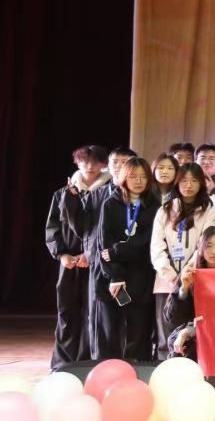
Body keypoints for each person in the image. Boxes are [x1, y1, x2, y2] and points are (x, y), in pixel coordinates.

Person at [92, 157, 160, 360]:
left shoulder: (154, 206)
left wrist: (118, 250)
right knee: (109, 332)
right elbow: (103, 244)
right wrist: (115, 275)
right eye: (133, 176)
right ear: (123, 177)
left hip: (141, 275)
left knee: (138, 332)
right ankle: (107, 370)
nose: (138, 181)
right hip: (112, 277)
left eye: (143, 177)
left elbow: (147, 242)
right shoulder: (110, 203)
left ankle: (138, 370)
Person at [46, 144, 108, 370]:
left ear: (103, 165)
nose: (89, 166)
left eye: (95, 161)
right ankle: (62, 365)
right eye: (85, 161)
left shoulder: (110, 193)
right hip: (70, 262)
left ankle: (86, 365)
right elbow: (52, 228)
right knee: (67, 312)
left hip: (97, 263)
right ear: (77, 163)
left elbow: (109, 229)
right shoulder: (63, 193)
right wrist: (62, 254)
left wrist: (91, 254)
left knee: (93, 315)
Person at [150, 163, 215, 359]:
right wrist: (171, 275)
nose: (188, 185)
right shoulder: (164, 211)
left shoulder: (209, 211)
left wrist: (186, 274)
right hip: (166, 281)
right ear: (177, 183)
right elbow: (156, 246)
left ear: (201, 184)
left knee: (192, 334)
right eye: (184, 180)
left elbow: (205, 245)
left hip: (196, 280)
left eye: (194, 181)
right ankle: (165, 369)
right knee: (165, 336)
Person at [165, 225, 215, 362]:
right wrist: (184, 288)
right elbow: (172, 318)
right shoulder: (191, 273)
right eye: (209, 246)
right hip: (194, 334)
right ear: (200, 248)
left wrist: (191, 331)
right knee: (182, 345)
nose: (214, 251)